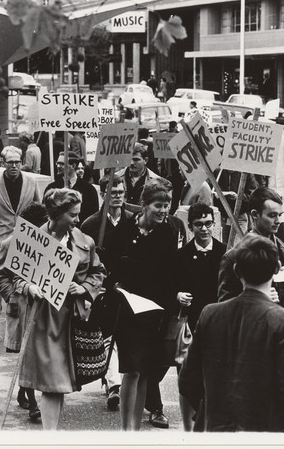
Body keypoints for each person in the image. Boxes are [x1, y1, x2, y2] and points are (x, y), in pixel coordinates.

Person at [179, 235, 284, 432]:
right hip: (263, 433)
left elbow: (187, 381)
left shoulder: (210, 314)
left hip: (214, 428)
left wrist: (212, 410)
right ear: (277, 269)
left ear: (236, 270)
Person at [18, 188, 106, 430]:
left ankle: (51, 432)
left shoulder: (84, 241)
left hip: (74, 320)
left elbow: (98, 272)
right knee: (52, 383)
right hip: (44, 319)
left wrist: (86, 288)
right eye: (73, 215)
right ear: (56, 214)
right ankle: (50, 436)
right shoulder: (31, 240)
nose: (77, 220)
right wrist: (28, 287)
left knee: (61, 384)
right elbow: (7, 278)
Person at [105, 178, 181, 430]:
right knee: (132, 370)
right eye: (158, 205)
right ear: (144, 205)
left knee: (145, 370)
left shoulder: (168, 232)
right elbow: (112, 267)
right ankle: (127, 429)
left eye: (166, 205)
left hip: (154, 313)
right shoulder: (125, 230)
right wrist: (114, 286)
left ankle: (135, 429)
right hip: (127, 311)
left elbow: (171, 274)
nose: (163, 210)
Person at [173, 202, 226, 430]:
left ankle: (210, 424)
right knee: (186, 377)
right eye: (198, 225)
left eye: (208, 224)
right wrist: (176, 295)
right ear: (190, 226)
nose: (204, 229)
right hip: (190, 324)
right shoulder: (182, 255)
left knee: (214, 378)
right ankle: (187, 427)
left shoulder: (225, 254)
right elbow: (170, 283)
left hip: (218, 325)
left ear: (214, 224)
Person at [81, 175, 132, 410]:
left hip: (127, 288)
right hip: (102, 291)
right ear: (104, 194)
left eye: (121, 192)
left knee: (126, 337)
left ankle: (121, 380)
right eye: (114, 192)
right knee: (107, 335)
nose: (118, 196)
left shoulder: (132, 221)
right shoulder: (91, 224)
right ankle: (113, 385)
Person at [0, 202, 48, 421]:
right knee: (26, 354)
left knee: (36, 355)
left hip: (43, 308)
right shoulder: (11, 243)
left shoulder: (48, 244)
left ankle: (23, 390)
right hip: (22, 307)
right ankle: (34, 404)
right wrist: (13, 297)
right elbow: (0, 277)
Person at [218, 187, 284, 311]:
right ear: (255, 215)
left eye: (280, 215)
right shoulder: (233, 257)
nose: (278, 221)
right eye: (272, 215)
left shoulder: (283, 251)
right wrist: (257, 300)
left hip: (279, 326)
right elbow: (224, 308)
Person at [0, 146, 41, 245]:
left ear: (21, 163)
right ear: (3, 163)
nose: (14, 166)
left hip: (26, 239)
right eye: (10, 162)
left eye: (17, 162)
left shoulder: (31, 182)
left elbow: (39, 210)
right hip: (1, 240)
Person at [44, 151, 99, 224]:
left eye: (62, 164)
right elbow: (45, 214)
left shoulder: (89, 190)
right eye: (57, 163)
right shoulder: (51, 188)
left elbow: (93, 217)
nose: (58, 166)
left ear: (73, 166)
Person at [213, 168, 257, 245]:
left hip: (239, 216)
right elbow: (211, 190)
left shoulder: (246, 173)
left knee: (237, 247)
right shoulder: (218, 172)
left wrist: (239, 197)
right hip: (224, 216)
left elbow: (253, 195)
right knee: (225, 247)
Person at [267, 134, 284, 242]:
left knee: (278, 211)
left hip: (280, 181)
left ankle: (279, 241)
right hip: (269, 181)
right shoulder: (267, 139)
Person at [116, 143, 160, 208]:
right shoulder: (116, 177)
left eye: (136, 160)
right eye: (128, 159)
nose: (131, 163)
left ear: (145, 160)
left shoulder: (156, 181)